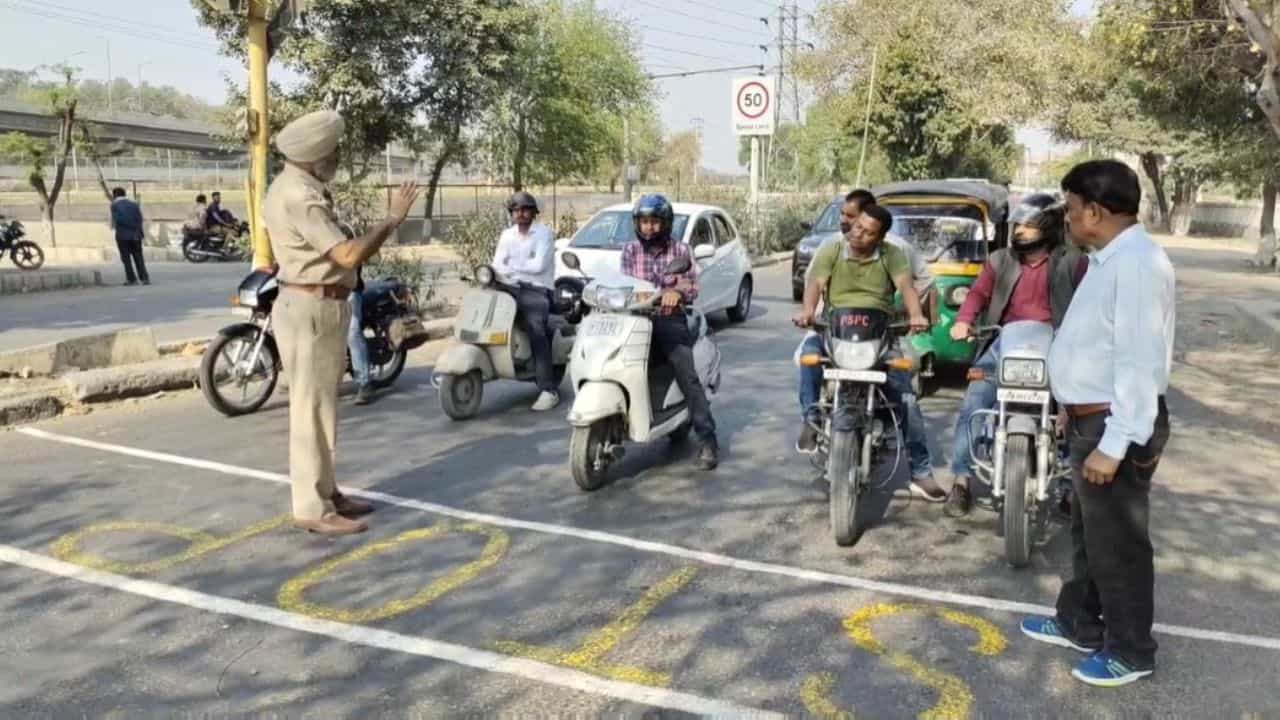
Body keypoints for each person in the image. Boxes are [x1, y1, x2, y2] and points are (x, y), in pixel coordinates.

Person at [1020, 160, 1175, 688]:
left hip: (1115, 425)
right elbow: (1099, 345)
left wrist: (1115, 443)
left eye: (1070, 208)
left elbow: (1138, 360)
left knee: (1118, 545)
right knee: (1089, 534)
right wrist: (1071, 402)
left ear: (1094, 211)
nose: (1065, 218)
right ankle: (1079, 622)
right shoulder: (1109, 259)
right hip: (1094, 418)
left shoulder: (1136, 265)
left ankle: (1131, 651)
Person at [264, 108, 420, 536]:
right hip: (311, 308)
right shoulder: (300, 196)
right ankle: (313, 507)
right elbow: (347, 255)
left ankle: (328, 492)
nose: (336, 157)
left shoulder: (293, 186)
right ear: (315, 154)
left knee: (322, 408)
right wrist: (392, 219)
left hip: (317, 304)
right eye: (332, 151)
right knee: (311, 411)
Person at [943, 193, 1088, 517]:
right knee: (974, 402)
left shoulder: (1073, 261)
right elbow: (978, 294)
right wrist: (964, 321)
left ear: (1047, 227)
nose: (1020, 231)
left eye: (1028, 225)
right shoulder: (1000, 260)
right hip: (1005, 342)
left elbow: (1091, 301)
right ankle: (961, 481)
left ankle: (1070, 487)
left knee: (1076, 409)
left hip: (1057, 345)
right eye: (1018, 225)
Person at [793, 198, 943, 501]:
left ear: (881, 237)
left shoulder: (892, 254)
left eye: (867, 232)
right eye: (857, 226)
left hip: (881, 333)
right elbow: (815, 284)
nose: (858, 234)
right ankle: (812, 419)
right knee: (809, 358)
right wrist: (808, 311)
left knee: (907, 399)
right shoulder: (833, 249)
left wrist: (916, 315)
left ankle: (921, 472)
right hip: (836, 328)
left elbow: (907, 287)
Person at [620, 193, 719, 470]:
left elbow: (691, 285)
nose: (649, 228)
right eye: (644, 222)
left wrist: (676, 292)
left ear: (665, 224)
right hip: (635, 320)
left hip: (668, 319)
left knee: (686, 373)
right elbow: (622, 282)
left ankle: (707, 438)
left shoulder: (680, 251)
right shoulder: (630, 251)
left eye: (654, 222)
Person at [492, 190, 559, 411]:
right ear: (511, 213)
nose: (520, 213)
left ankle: (548, 389)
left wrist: (510, 267)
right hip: (509, 285)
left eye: (525, 209)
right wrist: (511, 271)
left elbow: (538, 266)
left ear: (533, 212)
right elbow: (497, 264)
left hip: (537, 290)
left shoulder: (544, 234)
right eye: (516, 210)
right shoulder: (507, 235)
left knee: (536, 328)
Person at [109, 187, 149, 286]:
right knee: (138, 257)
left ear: (115, 195)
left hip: (122, 235)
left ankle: (131, 279)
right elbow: (140, 218)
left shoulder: (114, 205)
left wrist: (115, 227)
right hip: (136, 234)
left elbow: (116, 220)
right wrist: (140, 232)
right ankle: (144, 278)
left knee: (126, 258)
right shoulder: (134, 204)